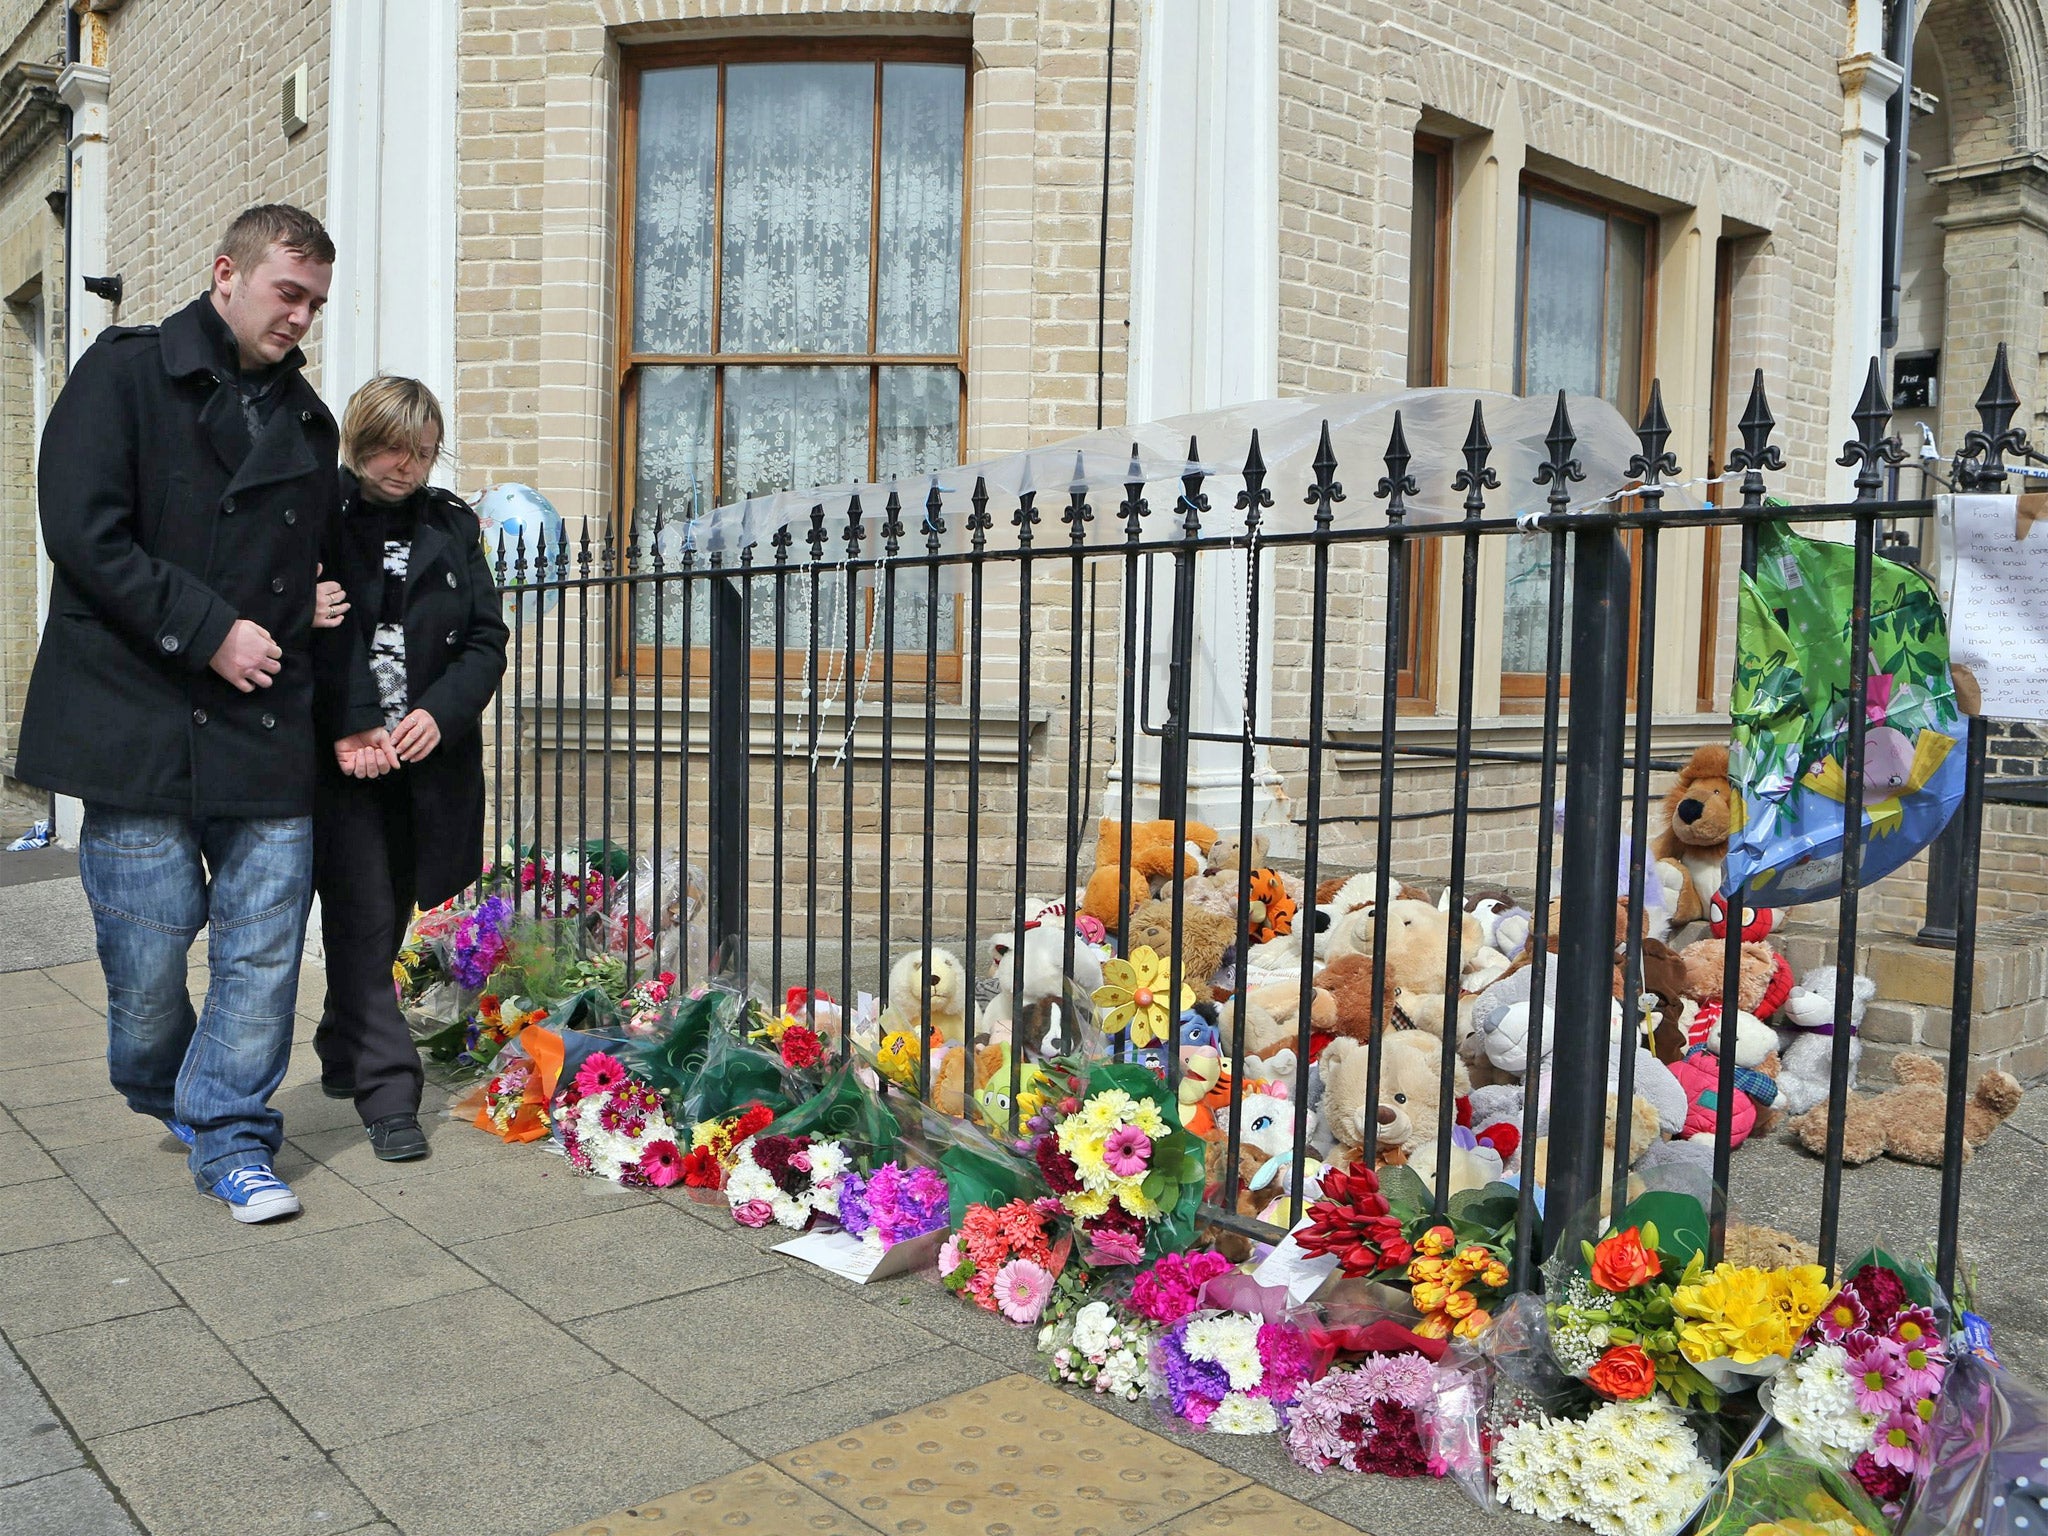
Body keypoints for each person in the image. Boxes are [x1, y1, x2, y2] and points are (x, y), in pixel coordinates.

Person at [16, 205, 395, 1223]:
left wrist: (332, 676)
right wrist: (215, 629)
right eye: (288, 293)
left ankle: (231, 1135)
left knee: (263, 951)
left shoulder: (311, 426)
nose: (302, 318)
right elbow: (83, 535)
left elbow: (325, 580)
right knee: (147, 970)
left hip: (264, 726)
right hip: (135, 716)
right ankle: (168, 1087)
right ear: (226, 272)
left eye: (316, 302)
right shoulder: (124, 375)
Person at [309, 376, 507, 1160]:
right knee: (360, 916)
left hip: (426, 765)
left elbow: (486, 639)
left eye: (424, 452)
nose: (408, 466)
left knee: (387, 915)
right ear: (362, 438)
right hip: (342, 761)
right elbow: (302, 628)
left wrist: (441, 713)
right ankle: (389, 1095)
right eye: (396, 448)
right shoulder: (318, 515)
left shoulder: (451, 525)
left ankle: (338, 1040)